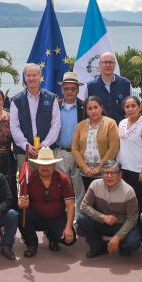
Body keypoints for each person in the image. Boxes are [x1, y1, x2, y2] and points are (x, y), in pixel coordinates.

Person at [17, 146, 77, 256]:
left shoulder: (63, 179)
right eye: (42, 165)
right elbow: (21, 202)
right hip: (36, 217)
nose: (45, 168)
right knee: (21, 215)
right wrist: (22, 204)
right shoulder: (29, 178)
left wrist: (68, 227)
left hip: (57, 217)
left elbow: (70, 205)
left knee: (70, 240)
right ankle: (31, 244)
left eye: (48, 165)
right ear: (37, 165)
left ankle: (53, 238)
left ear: (54, 165)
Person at [77, 160, 142, 257]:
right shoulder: (95, 184)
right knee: (81, 219)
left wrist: (117, 237)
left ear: (120, 175)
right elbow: (84, 206)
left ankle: (121, 246)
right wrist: (102, 217)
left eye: (112, 173)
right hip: (102, 223)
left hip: (121, 224)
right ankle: (98, 247)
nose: (109, 176)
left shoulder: (128, 191)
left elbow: (132, 219)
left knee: (133, 242)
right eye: (105, 173)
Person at [9, 63, 61, 172]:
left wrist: (45, 144)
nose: (31, 78)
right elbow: (14, 126)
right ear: (24, 77)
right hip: (24, 153)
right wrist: (25, 145)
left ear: (40, 77)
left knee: (47, 184)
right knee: (27, 186)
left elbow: (56, 124)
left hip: (47, 151)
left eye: (34, 75)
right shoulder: (16, 100)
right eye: (28, 75)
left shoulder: (52, 98)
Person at [71, 95, 119, 204]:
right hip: (86, 172)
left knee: (104, 202)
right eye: (90, 108)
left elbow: (113, 147)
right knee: (90, 201)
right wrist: (84, 167)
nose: (93, 111)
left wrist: (99, 168)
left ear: (101, 108)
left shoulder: (110, 123)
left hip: (105, 172)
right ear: (86, 111)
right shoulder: (80, 126)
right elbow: (75, 149)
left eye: (96, 107)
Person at [54, 72, 87, 203]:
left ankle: (77, 220)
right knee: (61, 187)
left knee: (80, 189)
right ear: (62, 90)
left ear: (78, 90)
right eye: (66, 88)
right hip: (60, 152)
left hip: (79, 153)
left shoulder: (84, 107)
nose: (69, 91)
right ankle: (63, 218)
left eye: (72, 88)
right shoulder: (55, 106)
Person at [117, 96, 142, 207]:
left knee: (137, 202)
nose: (130, 109)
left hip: (138, 171)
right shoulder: (122, 123)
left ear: (140, 107)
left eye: (133, 106)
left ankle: (139, 224)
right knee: (125, 202)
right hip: (123, 169)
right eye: (127, 106)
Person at [86, 51, 132, 121]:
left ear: (115, 65)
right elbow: (87, 110)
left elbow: (131, 108)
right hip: (99, 129)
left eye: (111, 62)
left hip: (120, 129)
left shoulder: (126, 84)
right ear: (100, 65)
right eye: (105, 62)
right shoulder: (90, 86)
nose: (108, 65)